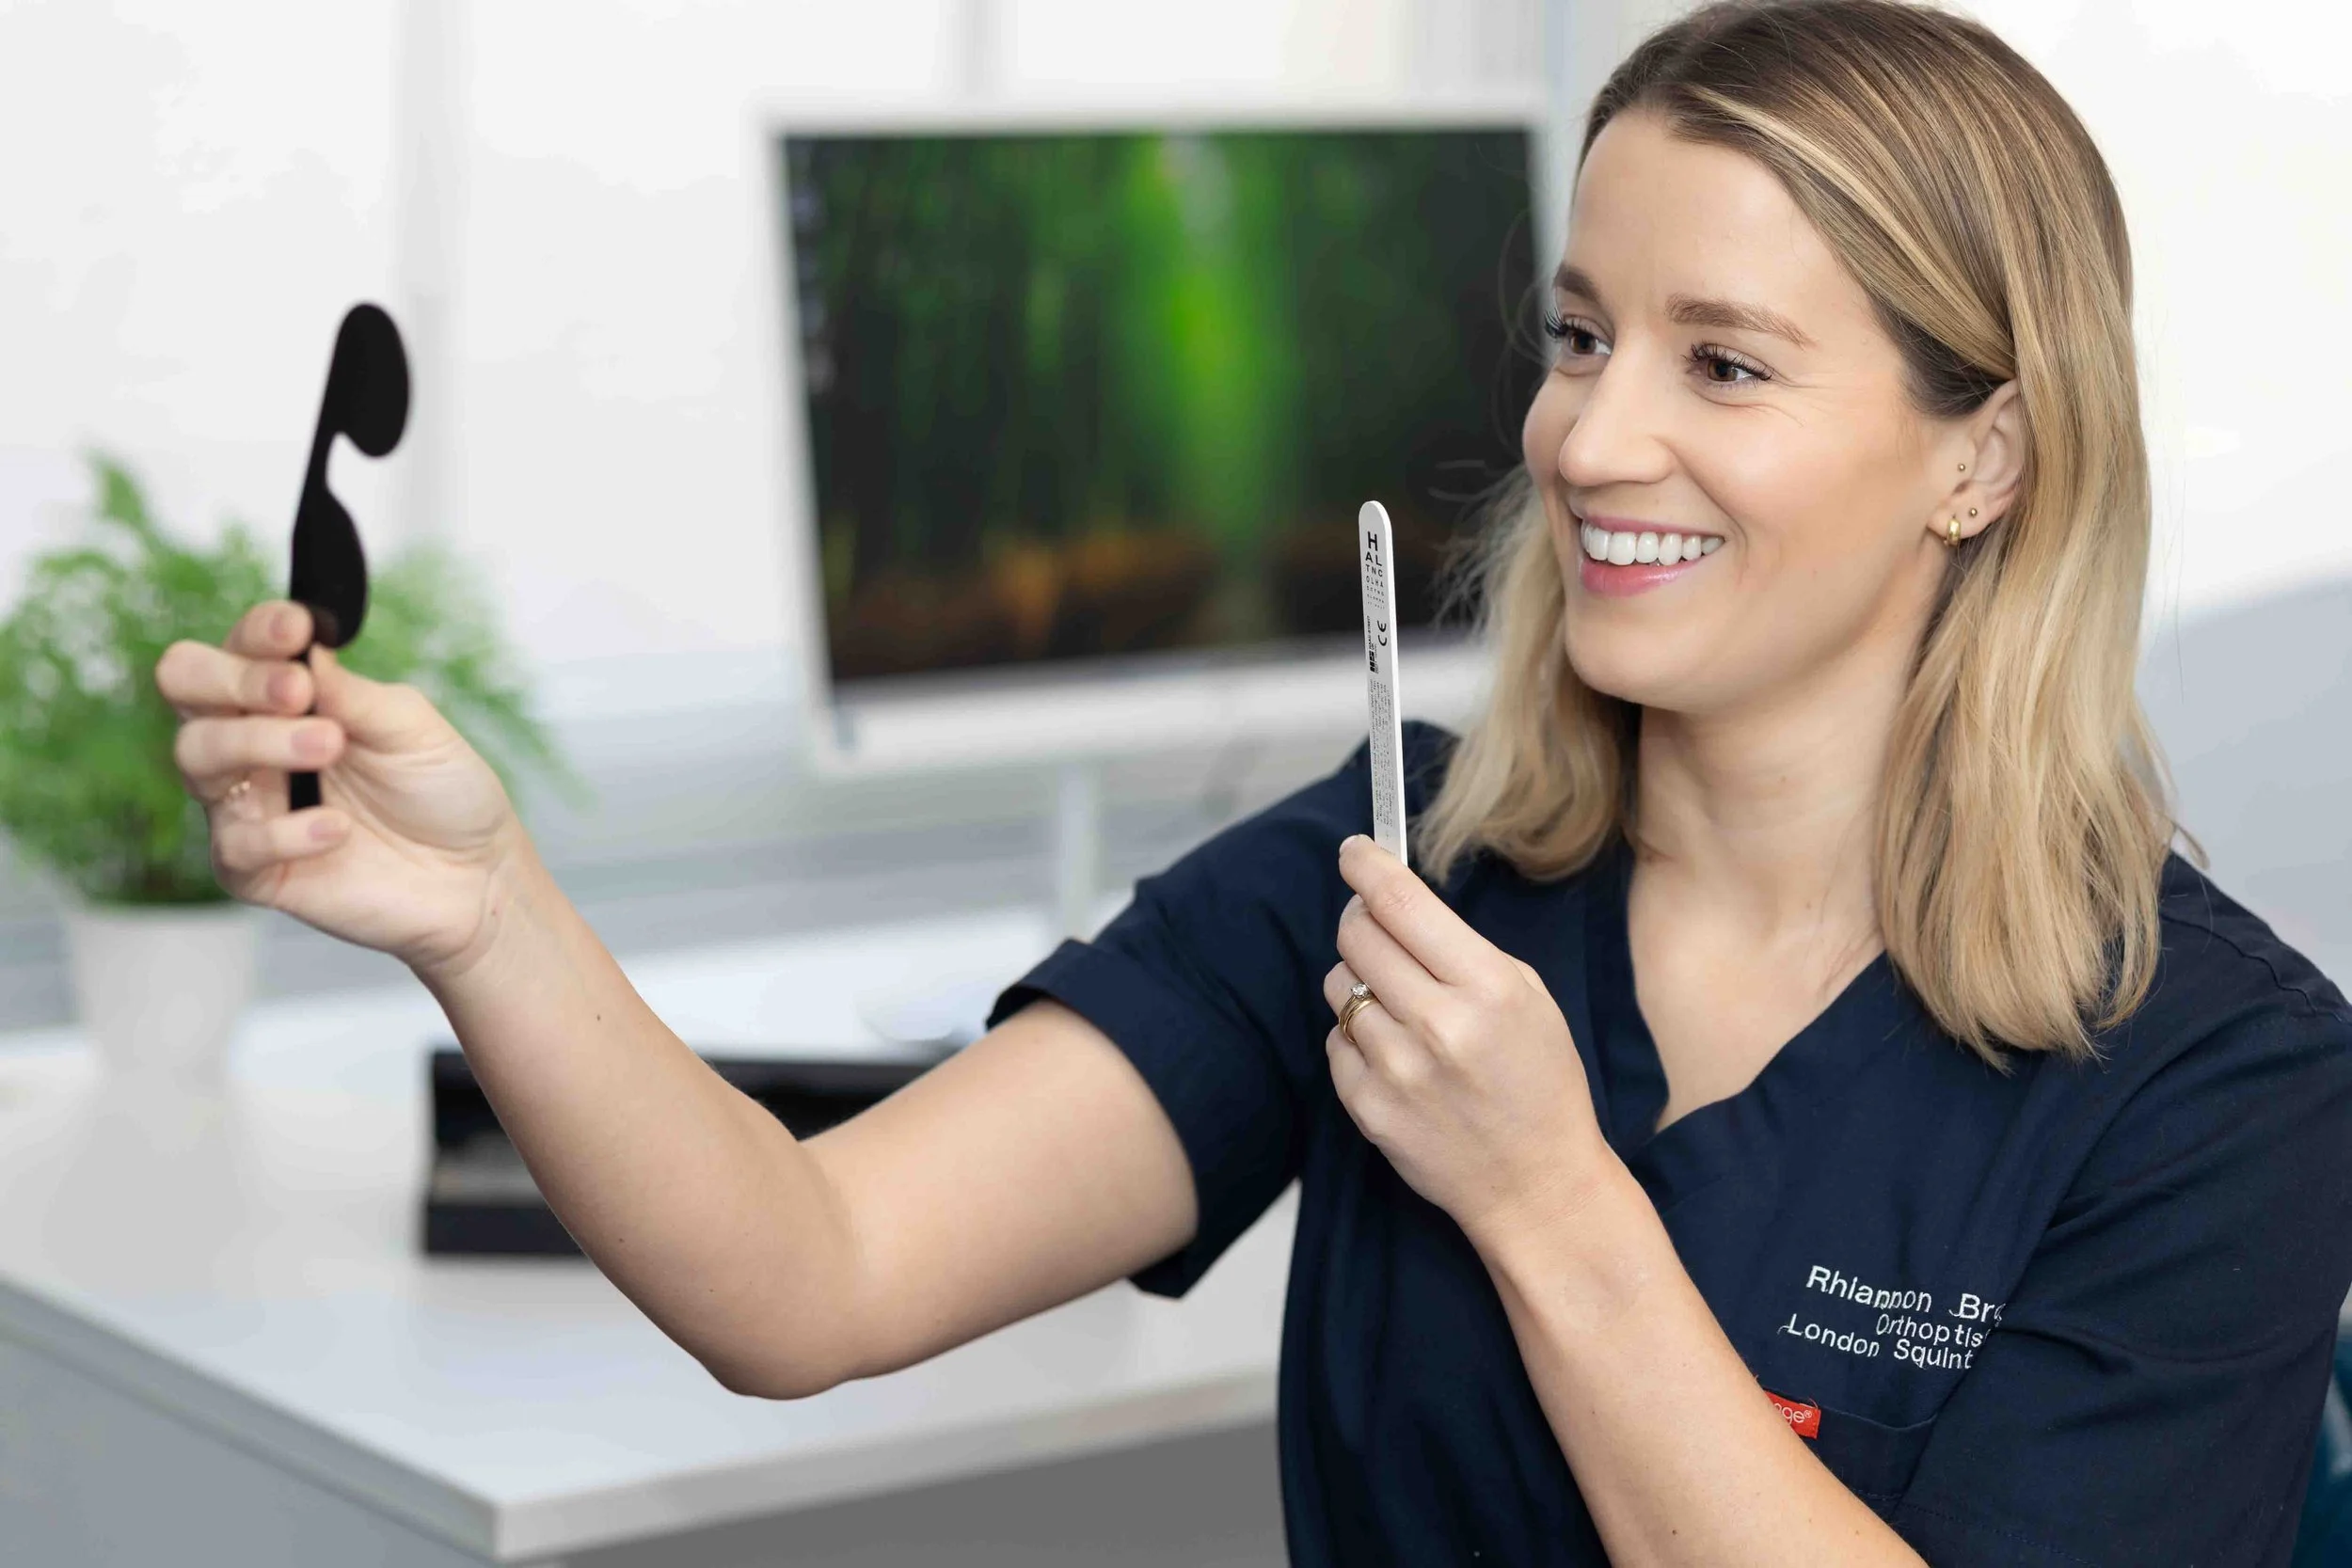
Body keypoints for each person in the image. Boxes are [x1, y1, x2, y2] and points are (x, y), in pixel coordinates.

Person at [156, 0, 2352, 1561]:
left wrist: (1541, 1188)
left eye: (1726, 363)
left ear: (1982, 453)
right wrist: (481, 909)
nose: (1588, 438)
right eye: (1579, 334)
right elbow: (801, 1274)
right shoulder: (1395, 865)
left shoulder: (2221, 1086)